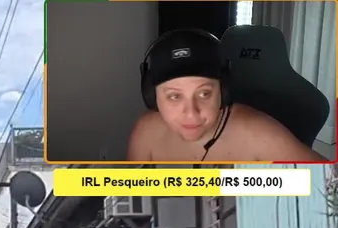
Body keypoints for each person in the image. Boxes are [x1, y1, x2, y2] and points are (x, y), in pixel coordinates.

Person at [126, 28, 325, 163]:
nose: (191, 113)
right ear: (152, 97)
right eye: (174, 97)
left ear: (223, 90)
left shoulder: (259, 134)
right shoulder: (145, 132)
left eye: (204, 93)